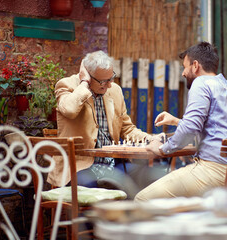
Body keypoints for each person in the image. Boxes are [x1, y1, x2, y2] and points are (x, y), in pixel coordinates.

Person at [135, 42, 227, 201]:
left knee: (141, 199)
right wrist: (178, 121)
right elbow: (217, 126)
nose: (183, 73)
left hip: (218, 174)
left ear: (195, 65)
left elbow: (190, 129)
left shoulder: (201, 83)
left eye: (185, 67)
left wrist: (163, 148)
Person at [50, 50, 165, 199]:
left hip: (114, 165)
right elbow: (69, 110)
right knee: (92, 194)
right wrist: (84, 83)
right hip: (80, 167)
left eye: (111, 78)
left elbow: (127, 129)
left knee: (146, 181)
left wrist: (151, 138)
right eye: (103, 81)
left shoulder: (115, 90)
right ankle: (97, 222)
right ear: (88, 76)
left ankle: (127, 221)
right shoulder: (67, 85)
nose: (110, 85)